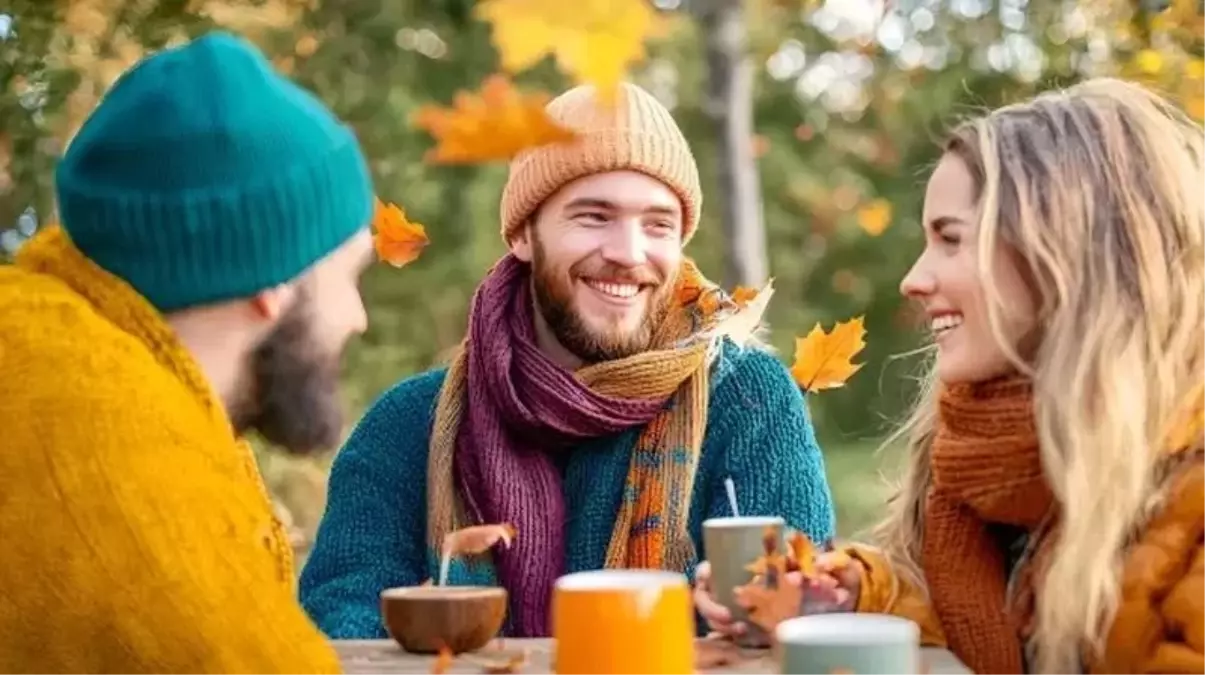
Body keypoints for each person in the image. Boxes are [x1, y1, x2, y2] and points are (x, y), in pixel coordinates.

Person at [298, 81, 837, 639]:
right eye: (593, 216)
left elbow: (803, 614)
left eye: (658, 225)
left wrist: (760, 611)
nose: (628, 253)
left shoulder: (745, 397)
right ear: (524, 235)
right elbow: (343, 622)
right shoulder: (409, 426)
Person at [713, 78, 1205, 675]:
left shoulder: (1185, 491)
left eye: (951, 240)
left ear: (1067, 254)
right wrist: (840, 599)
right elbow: (965, 627)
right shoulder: (977, 466)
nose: (914, 279)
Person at [0, 31, 382, 673]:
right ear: (272, 286)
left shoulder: (52, 344)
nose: (357, 317)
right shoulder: (124, 471)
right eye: (348, 277)